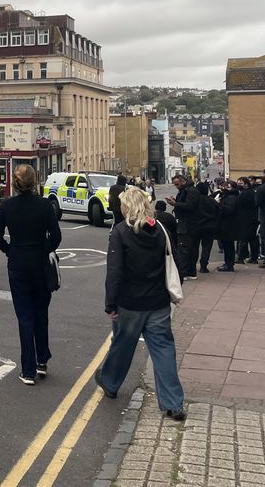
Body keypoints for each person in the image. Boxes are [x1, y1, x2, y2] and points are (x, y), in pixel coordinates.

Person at [96, 187, 186, 421]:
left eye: (122, 204)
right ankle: (173, 404)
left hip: (129, 303)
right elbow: (176, 261)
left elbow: (114, 271)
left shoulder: (121, 231)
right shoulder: (160, 230)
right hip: (158, 302)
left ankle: (110, 383)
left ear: (128, 206)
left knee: (123, 346)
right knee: (164, 351)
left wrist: (110, 304)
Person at [0, 165, 62, 386]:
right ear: (34, 182)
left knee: (25, 316)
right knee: (41, 312)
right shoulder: (45, 205)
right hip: (40, 263)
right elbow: (57, 237)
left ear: (15, 182)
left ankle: (28, 370)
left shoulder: (7, 205)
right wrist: (44, 247)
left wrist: (10, 249)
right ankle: (42, 360)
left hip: (18, 263)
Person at [166, 175, 201, 280]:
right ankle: (190, 272)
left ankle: (185, 272)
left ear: (183, 181)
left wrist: (175, 203)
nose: (176, 186)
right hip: (188, 223)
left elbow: (190, 206)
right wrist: (175, 202)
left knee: (184, 248)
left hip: (188, 223)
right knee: (189, 248)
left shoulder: (190, 191)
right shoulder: (186, 190)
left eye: (177, 184)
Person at [214, 182, 239, 271]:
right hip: (226, 225)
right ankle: (228, 263)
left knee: (228, 245)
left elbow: (228, 210)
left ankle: (229, 265)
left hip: (228, 225)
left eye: (228, 187)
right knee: (227, 245)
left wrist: (219, 204)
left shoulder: (232, 198)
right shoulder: (228, 196)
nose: (224, 188)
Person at [195, 181, 218, 274]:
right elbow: (217, 213)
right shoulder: (212, 201)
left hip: (196, 226)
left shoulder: (195, 200)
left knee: (194, 246)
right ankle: (203, 266)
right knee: (207, 247)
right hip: (209, 226)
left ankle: (193, 264)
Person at [236, 176, 259, 264]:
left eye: (241, 183)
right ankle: (254, 257)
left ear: (246, 184)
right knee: (253, 239)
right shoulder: (253, 192)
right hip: (253, 218)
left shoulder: (244, 194)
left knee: (243, 239)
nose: (239, 185)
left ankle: (241, 257)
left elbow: (239, 205)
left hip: (245, 218)